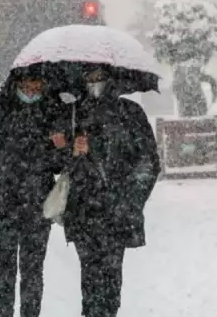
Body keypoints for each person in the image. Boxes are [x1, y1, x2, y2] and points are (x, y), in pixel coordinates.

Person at [59, 65, 161, 317]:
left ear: (110, 80)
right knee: (90, 273)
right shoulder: (73, 114)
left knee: (111, 274)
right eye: (89, 78)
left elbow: (148, 162)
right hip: (83, 208)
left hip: (117, 210)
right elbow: (55, 161)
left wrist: (130, 199)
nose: (95, 83)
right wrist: (71, 151)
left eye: (100, 78)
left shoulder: (130, 113)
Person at [0, 68, 65, 317]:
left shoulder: (51, 109)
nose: (33, 92)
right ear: (17, 82)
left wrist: (59, 145)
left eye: (38, 88)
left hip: (37, 206)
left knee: (33, 273)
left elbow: (59, 163)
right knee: (3, 273)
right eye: (28, 87)